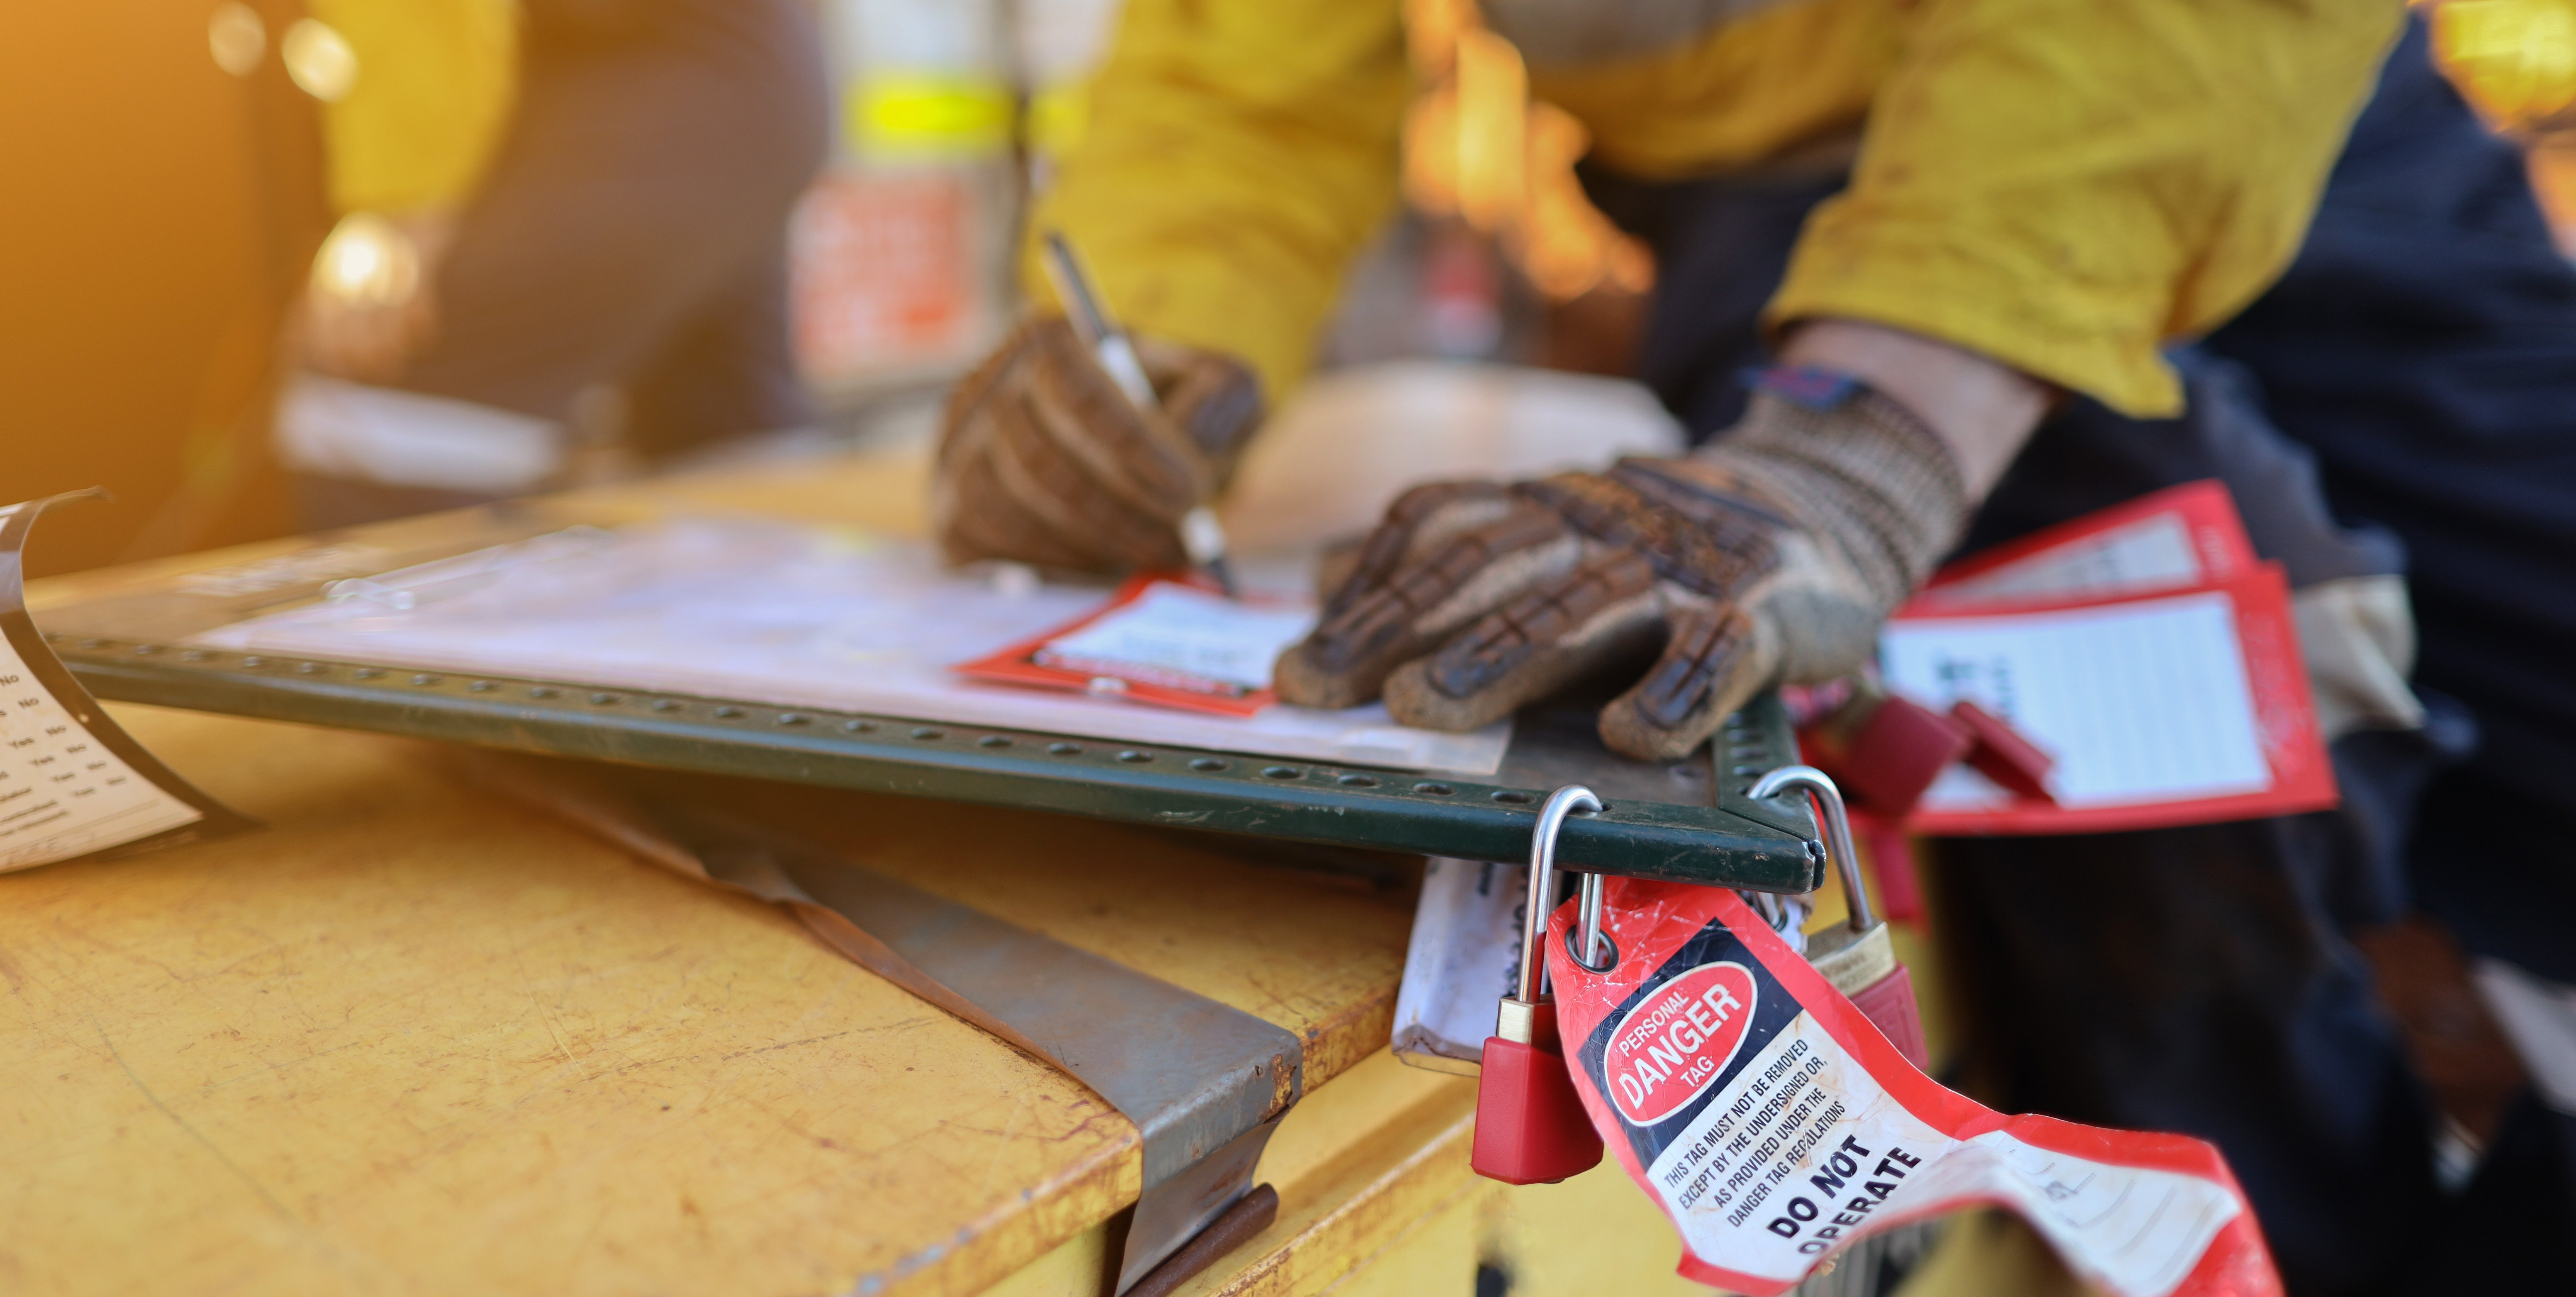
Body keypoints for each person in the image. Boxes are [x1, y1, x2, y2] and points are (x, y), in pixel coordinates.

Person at [926, 2, 2572, 1292]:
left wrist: (1886, 429)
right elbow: (1241, 70)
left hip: (2255, 74)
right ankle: (2322, 1238)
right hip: (1779, 209)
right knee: (2133, 757)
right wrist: (1148, 331)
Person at [278, 0, 828, 528]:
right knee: (724, 445)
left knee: (376, 404)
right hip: (735, 74)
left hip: (660, 70)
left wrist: (401, 204)